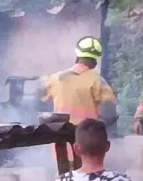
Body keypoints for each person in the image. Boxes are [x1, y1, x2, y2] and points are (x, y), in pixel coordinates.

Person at [40, 36, 118, 165]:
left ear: (77, 55)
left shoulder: (56, 78)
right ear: (95, 60)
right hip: (89, 145)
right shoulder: (98, 81)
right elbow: (110, 115)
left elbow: (40, 95)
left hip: (62, 145)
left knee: (65, 179)